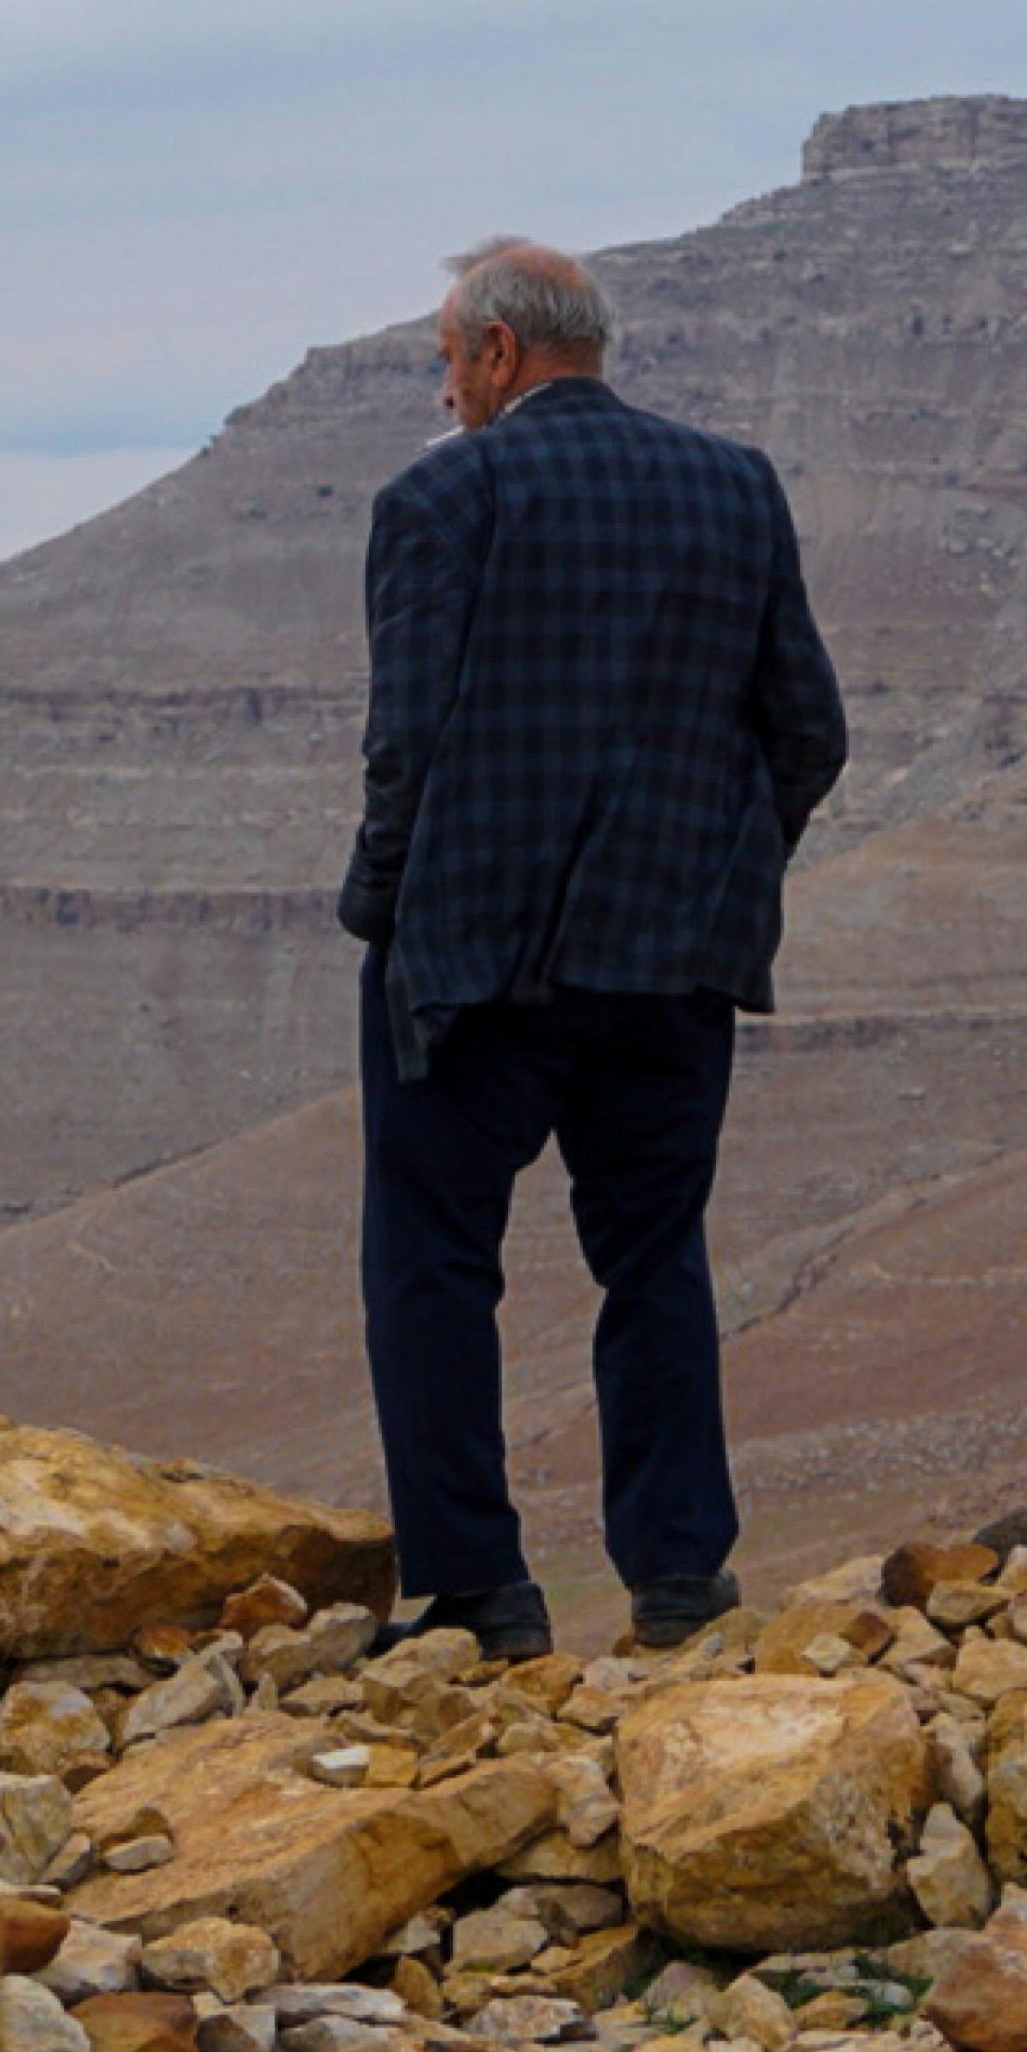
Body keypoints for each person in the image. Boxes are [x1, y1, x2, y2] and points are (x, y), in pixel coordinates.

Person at [332, 237, 847, 1659]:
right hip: (669, 956)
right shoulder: (735, 488)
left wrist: (381, 910)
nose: (446, 394)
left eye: (449, 364)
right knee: (653, 1255)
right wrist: (720, 871)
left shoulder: (446, 497)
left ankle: (480, 1594)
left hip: (473, 963)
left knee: (431, 1260)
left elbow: (408, 745)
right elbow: (810, 729)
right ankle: (680, 1579)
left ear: (500, 354)